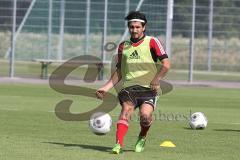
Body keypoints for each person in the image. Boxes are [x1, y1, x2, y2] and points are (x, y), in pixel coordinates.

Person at [96, 11, 170, 154]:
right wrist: (105, 88)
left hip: (149, 88)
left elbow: (166, 64)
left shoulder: (152, 42)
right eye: (131, 27)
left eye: (137, 27)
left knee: (145, 117)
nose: (134, 30)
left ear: (144, 27)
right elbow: (119, 71)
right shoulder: (123, 46)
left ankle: (142, 136)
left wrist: (156, 79)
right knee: (126, 110)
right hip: (129, 88)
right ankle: (118, 145)